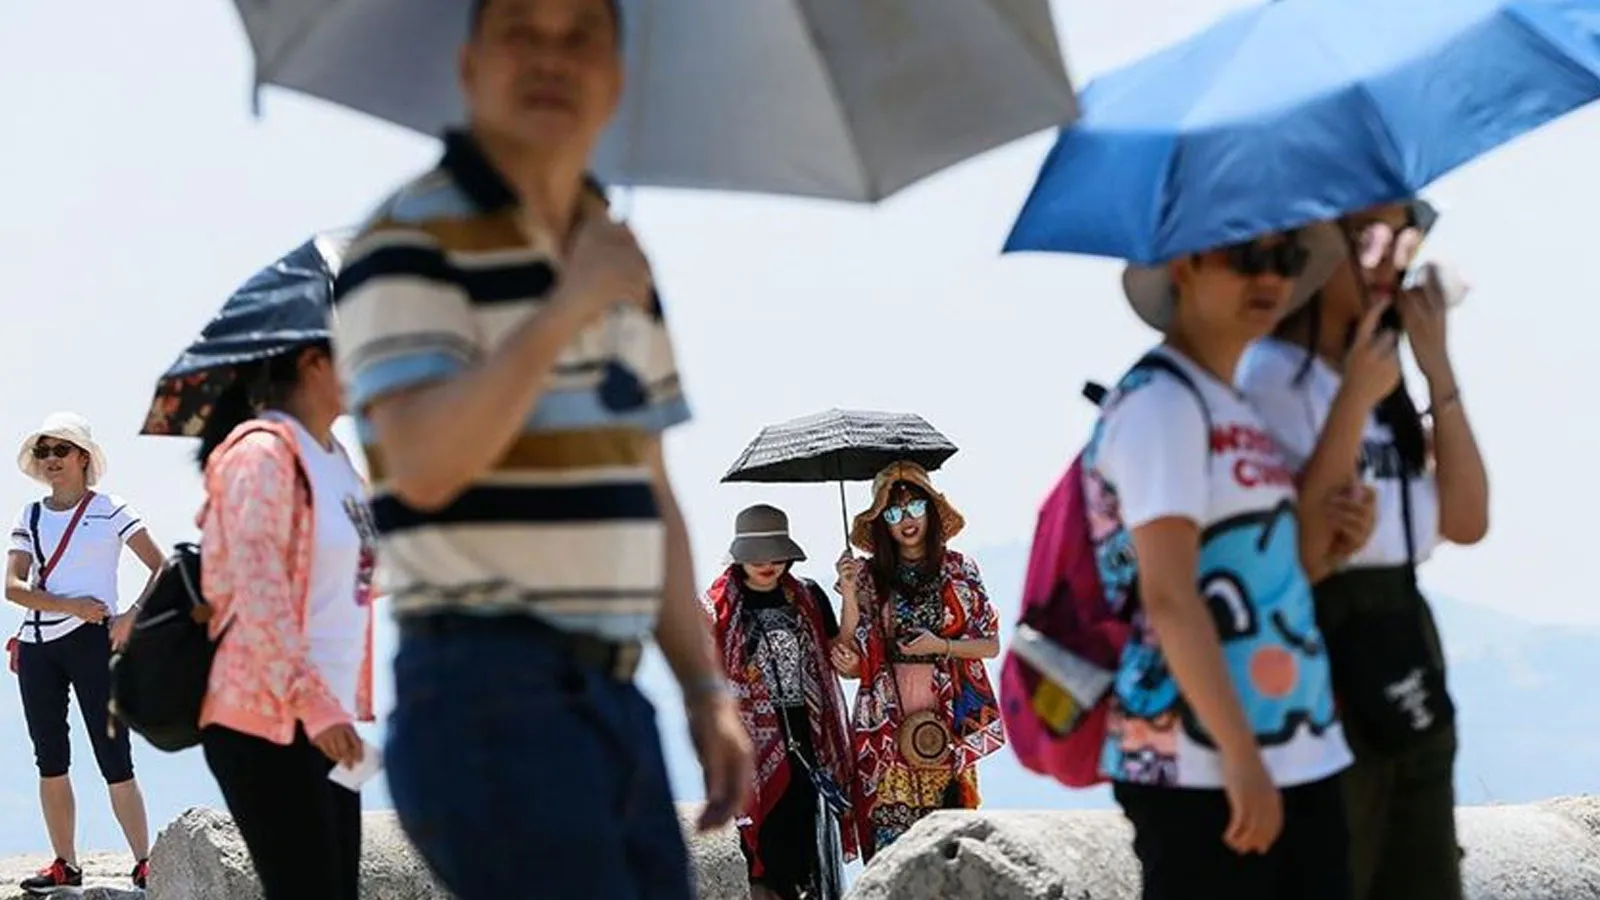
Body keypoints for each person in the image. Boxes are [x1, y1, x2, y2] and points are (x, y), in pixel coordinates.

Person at [330, 0, 752, 897]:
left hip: (612, 694)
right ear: (470, 65)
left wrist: (704, 690)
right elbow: (423, 465)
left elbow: (650, 487)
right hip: (485, 690)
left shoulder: (613, 253)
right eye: (522, 29)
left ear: (617, 79)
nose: (551, 57)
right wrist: (565, 309)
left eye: (581, 36)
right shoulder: (406, 241)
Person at [1083, 226, 1364, 900]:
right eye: (1246, 258)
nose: (1270, 278)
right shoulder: (1161, 404)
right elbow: (1170, 595)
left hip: (1296, 749)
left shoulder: (1224, 399)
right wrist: (1243, 759)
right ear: (1184, 264)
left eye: (1287, 260)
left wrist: (1332, 544)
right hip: (1203, 766)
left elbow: (1260, 580)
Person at [1239, 201, 1489, 900]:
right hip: (1317, 641)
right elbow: (1296, 549)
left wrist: (1435, 366)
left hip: (1404, 634)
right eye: (1369, 239)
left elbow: (1467, 520)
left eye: (1402, 240)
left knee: (1423, 873)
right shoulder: (1273, 377)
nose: (1390, 260)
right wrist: (1354, 398)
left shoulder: (1386, 381)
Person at [193, 335, 377, 900]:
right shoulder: (261, 454)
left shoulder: (338, 459)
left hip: (330, 721)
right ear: (313, 362)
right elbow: (256, 591)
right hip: (270, 718)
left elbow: (362, 575)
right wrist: (314, 704)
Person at [5, 411, 161, 895]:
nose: (51, 459)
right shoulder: (28, 516)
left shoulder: (112, 509)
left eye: (61, 449)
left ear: (83, 457)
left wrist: (131, 615)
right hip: (37, 647)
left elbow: (163, 568)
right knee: (49, 759)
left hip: (94, 644)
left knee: (115, 756)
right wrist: (68, 605)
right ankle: (65, 865)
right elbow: (12, 587)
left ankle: (144, 862)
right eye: (44, 450)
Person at [830, 461, 1004, 858]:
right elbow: (853, 658)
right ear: (882, 524)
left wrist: (939, 645)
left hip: (948, 723)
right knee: (893, 850)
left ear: (930, 510)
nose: (906, 520)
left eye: (914, 508)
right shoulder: (870, 576)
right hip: (886, 727)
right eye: (893, 512)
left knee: (951, 847)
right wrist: (849, 595)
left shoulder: (960, 568)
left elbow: (989, 644)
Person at [703, 504, 865, 900]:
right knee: (758, 853)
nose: (768, 564)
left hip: (806, 744)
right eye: (757, 555)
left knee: (799, 853)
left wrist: (848, 594)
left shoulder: (807, 597)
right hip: (748, 747)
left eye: (776, 554)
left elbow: (843, 657)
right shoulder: (717, 608)